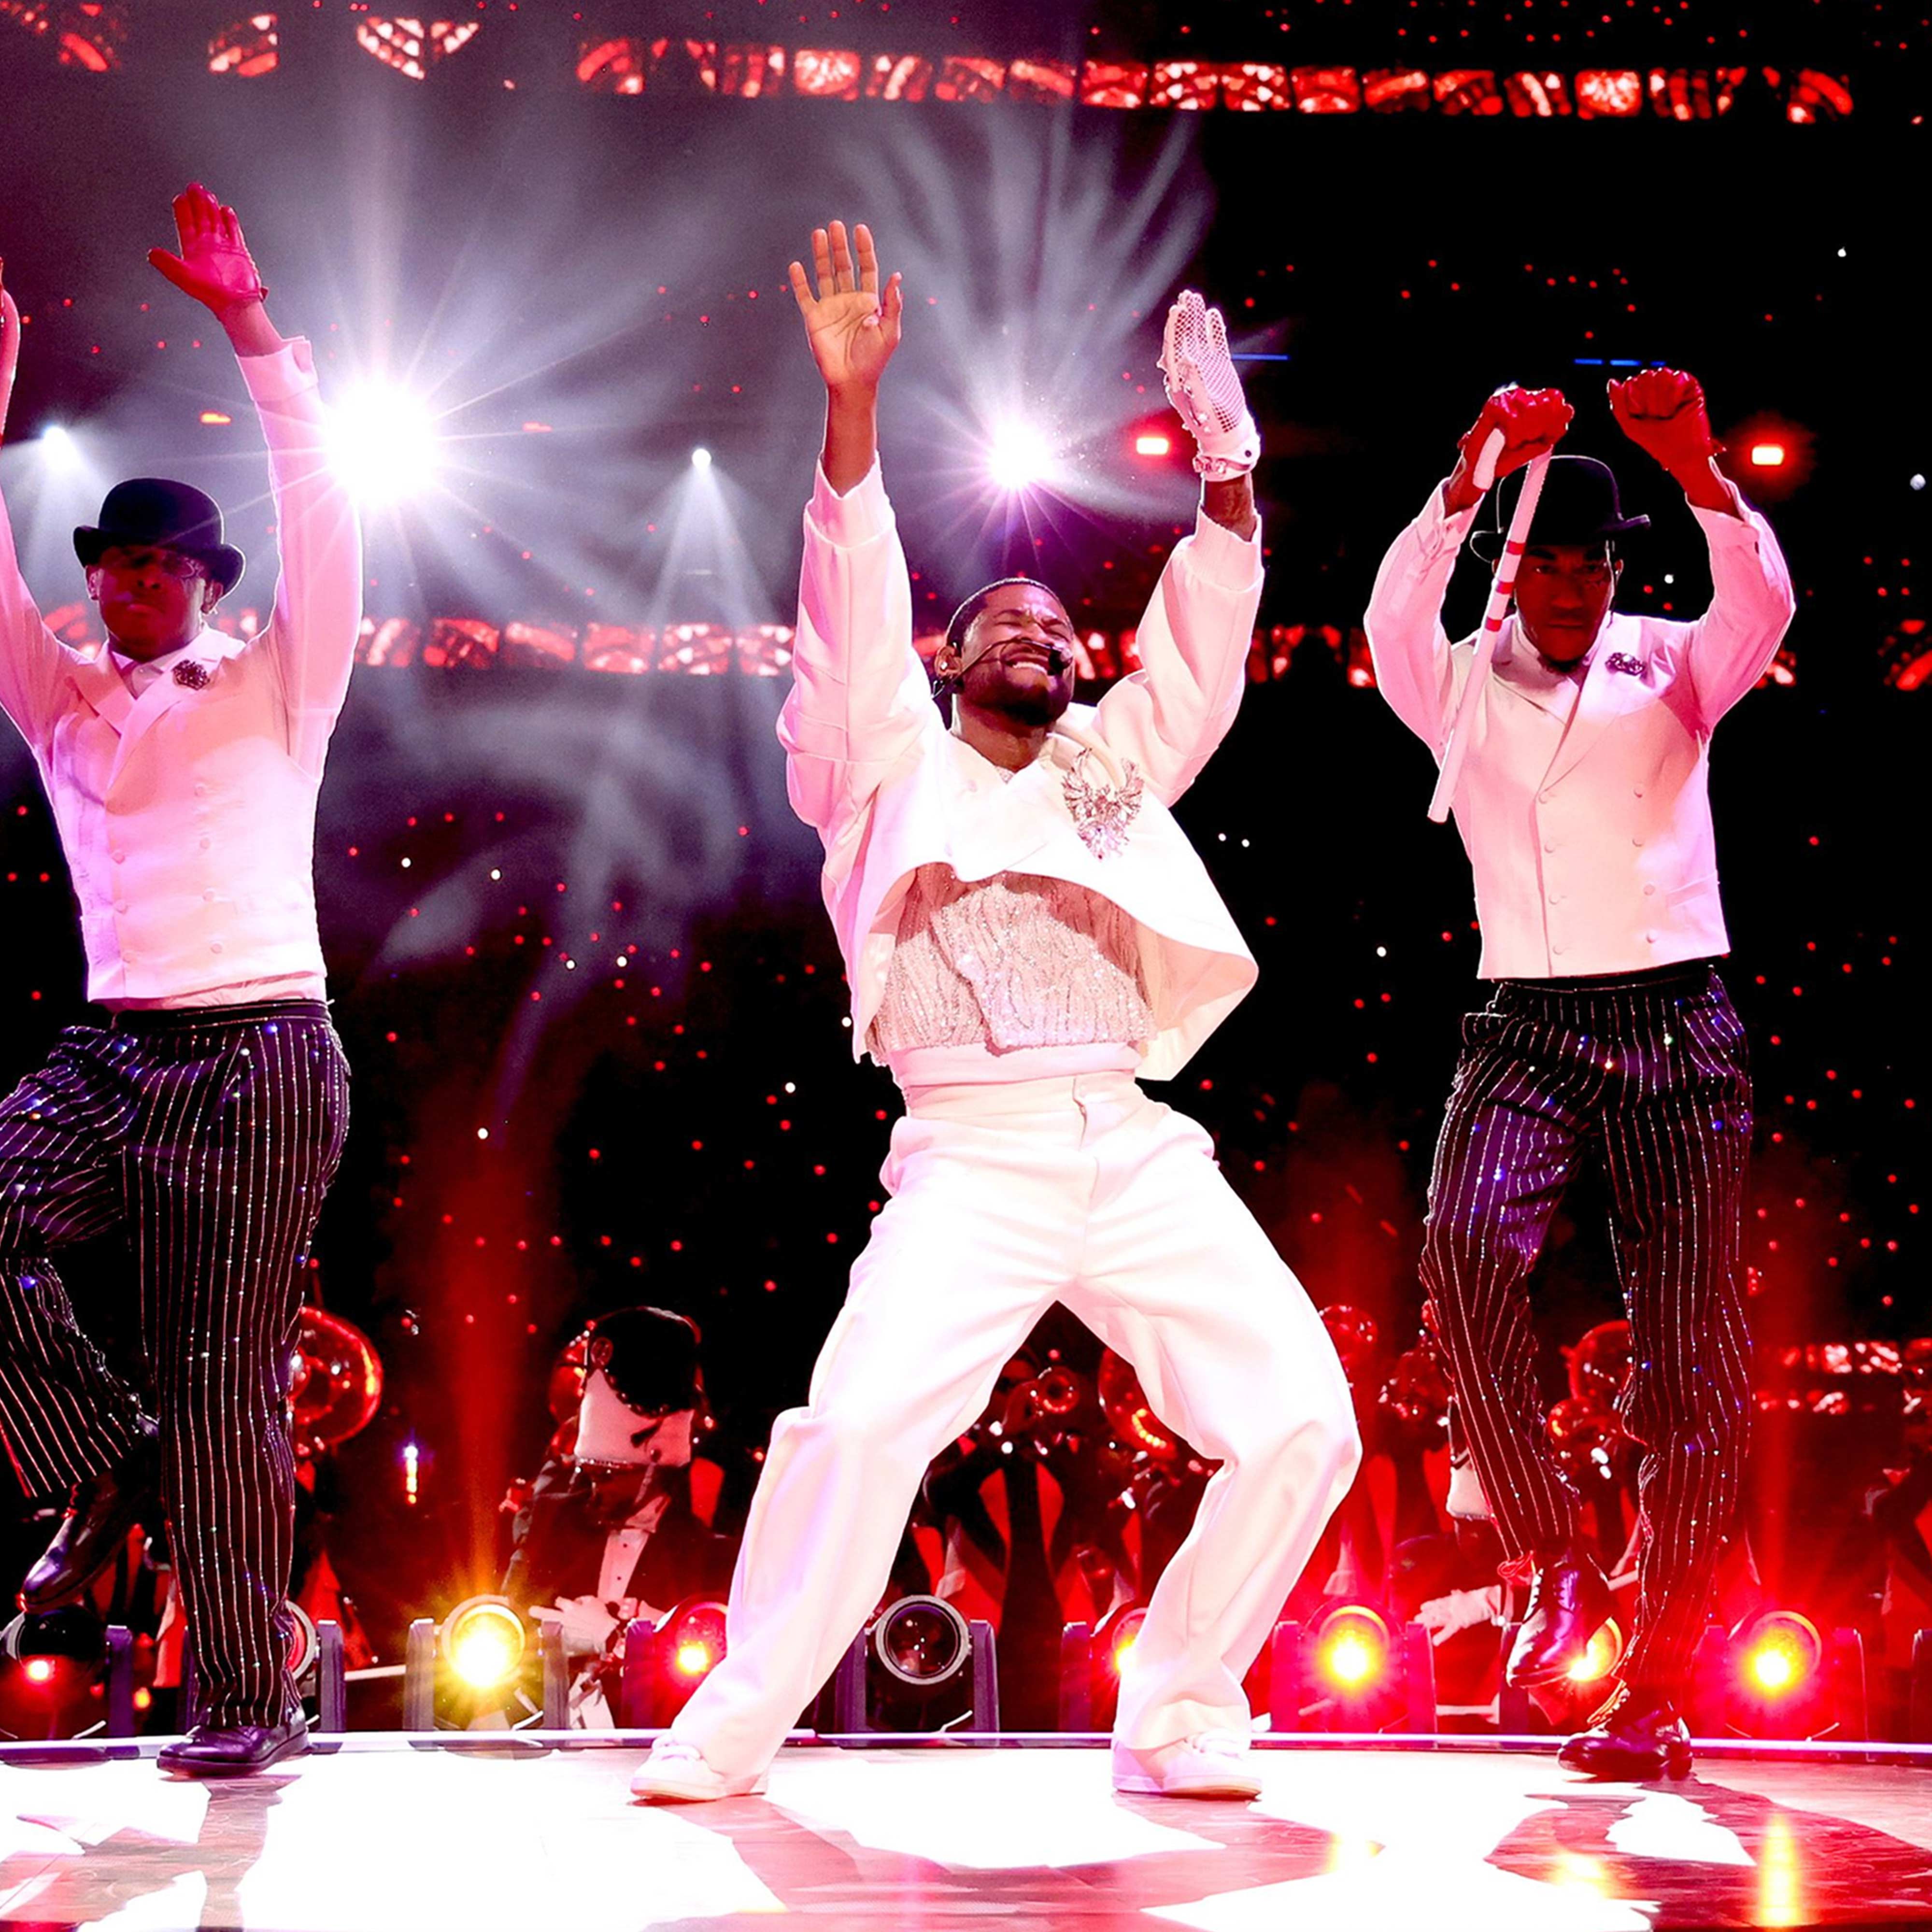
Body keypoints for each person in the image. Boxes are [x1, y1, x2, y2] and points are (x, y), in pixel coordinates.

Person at [629, 221, 1357, 1804]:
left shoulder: (1112, 768)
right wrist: (853, 419)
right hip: (972, 1153)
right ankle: (742, 1716)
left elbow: (1205, 645)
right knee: (858, 1426)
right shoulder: (878, 771)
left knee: (1308, 1419)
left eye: (1061, 628)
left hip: (1135, 1145)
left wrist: (1226, 470)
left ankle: (1173, 1705)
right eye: (1004, 624)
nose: (1041, 635)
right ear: (949, 660)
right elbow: (848, 618)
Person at [1364, 371, 1795, 1778]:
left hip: (1677, 1019)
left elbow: (1766, 610)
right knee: (1458, 1251)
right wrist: (1473, 469)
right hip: (1528, 1022)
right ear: (1516, 563)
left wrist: (1703, 473)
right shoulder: (1461, 676)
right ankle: (1554, 1560)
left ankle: (1657, 1685)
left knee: (1698, 1368)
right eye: (1545, 560)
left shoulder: (1671, 657)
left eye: (1591, 563)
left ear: (1618, 570)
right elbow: (1387, 615)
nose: (1569, 586)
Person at [0, 185, 360, 1775]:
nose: (130, 580)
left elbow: (329, 509)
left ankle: (240, 1703)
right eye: (112, 560)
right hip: (111, 1051)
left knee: (223, 1385)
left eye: (158, 562)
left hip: (262, 1048)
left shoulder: (279, 675)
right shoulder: (61, 692)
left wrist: (252, 330)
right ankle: (91, 1459)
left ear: (206, 580)